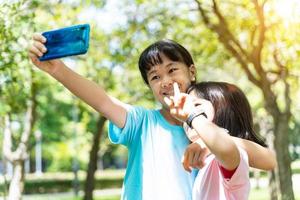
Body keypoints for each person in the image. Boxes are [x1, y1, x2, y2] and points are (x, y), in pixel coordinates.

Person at [28, 36, 275, 199]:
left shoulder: (209, 121)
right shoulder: (142, 123)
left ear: (191, 71)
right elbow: (103, 100)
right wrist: (58, 70)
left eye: (172, 70)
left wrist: (205, 139)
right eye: (155, 77)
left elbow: (266, 159)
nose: (165, 82)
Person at [165, 81, 270, 199]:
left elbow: (225, 147)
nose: (187, 112)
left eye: (196, 105)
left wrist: (193, 116)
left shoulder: (224, 159)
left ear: (223, 110)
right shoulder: (209, 160)